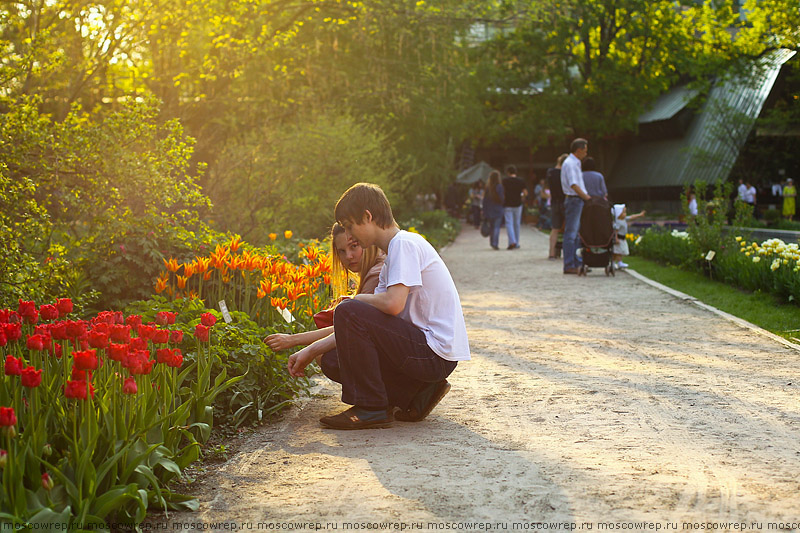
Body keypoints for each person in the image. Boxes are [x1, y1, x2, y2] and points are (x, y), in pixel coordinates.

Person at [288, 183, 470, 430]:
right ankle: (415, 393)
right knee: (332, 360)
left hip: (433, 353)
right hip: (423, 352)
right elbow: (362, 324)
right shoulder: (391, 258)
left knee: (350, 309)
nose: (350, 235)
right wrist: (311, 351)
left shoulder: (403, 243)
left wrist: (355, 301)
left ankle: (371, 408)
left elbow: (393, 305)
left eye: (351, 226)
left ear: (367, 216)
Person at [266, 223, 385, 378]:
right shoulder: (374, 269)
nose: (348, 256)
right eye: (341, 251)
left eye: (354, 246)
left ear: (366, 241)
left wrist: (293, 340)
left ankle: (378, 397)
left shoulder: (376, 275)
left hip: (401, 357)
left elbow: (349, 328)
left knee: (328, 357)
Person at [561, 138, 592, 274]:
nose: (586, 154)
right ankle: (569, 264)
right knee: (571, 234)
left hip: (576, 200)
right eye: (585, 151)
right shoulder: (571, 164)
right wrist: (586, 197)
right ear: (578, 150)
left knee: (576, 234)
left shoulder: (574, 163)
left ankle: (577, 262)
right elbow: (574, 184)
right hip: (575, 199)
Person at [547, 154, 568, 260]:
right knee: (569, 228)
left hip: (554, 202)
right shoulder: (565, 173)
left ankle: (551, 253)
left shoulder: (550, 172)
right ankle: (569, 253)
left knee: (555, 229)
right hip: (565, 201)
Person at [612, 204, 646, 269]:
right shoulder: (618, 222)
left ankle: (619, 262)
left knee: (620, 251)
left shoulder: (624, 219)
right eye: (624, 212)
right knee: (617, 252)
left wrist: (640, 215)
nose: (625, 214)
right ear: (618, 213)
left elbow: (631, 217)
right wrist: (616, 239)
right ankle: (615, 262)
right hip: (619, 238)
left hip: (622, 238)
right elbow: (615, 231)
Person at [502, 165, 528, 250]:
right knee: (516, 224)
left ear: (508, 172)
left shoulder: (504, 181)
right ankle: (516, 242)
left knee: (509, 223)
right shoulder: (521, 181)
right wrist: (522, 197)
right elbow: (525, 192)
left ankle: (512, 241)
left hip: (508, 204)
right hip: (518, 204)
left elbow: (502, 192)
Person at [483, 170, 505, 250]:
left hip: (489, 210)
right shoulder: (499, 186)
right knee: (496, 227)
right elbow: (502, 199)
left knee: (492, 227)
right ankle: (495, 243)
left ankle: (492, 242)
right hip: (498, 209)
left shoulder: (488, 187)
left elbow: (484, 200)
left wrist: (484, 210)